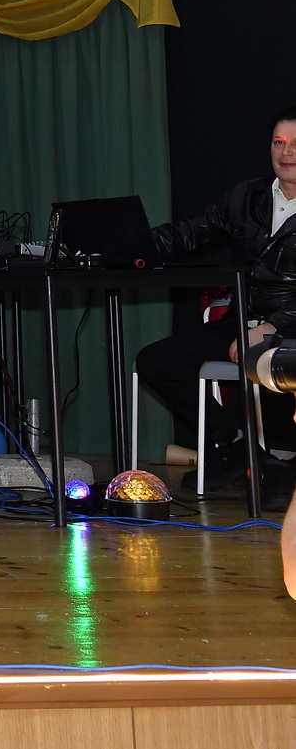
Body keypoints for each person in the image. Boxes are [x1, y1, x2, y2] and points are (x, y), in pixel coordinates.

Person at [136, 104, 296, 504]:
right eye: (278, 142)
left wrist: (273, 327)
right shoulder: (246, 195)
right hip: (244, 320)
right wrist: (129, 245)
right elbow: (190, 233)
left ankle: (280, 464)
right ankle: (234, 445)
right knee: (157, 361)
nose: (286, 152)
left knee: (266, 362)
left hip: (288, 325)